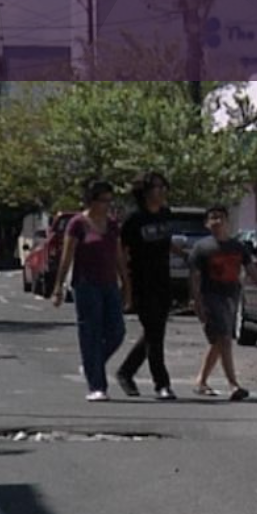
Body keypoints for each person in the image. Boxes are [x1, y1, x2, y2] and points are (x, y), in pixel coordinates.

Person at [54, 181, 130, 401]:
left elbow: (118, 255)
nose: (107, 205)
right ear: (92, 200)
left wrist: (126, 283)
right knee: (90, 334)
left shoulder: (112, 224)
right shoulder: (77, 224)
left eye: (109, 200)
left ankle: (91, 364)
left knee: (117, 332)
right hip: (86, 284)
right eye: (103, 200)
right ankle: (97, 386)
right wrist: (58, 286)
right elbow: (67, 256)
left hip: (109, 284)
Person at [115, 171, 185, 400]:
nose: (162, 192)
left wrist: (184, 254)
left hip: (163, 280)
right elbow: (121, 253)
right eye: (157, 187)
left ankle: (126, 371)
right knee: (155, 333)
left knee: (155, 332)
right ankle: (161, 384)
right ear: (145, 192)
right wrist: (125, 284)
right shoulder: (134, 220)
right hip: (141, 282)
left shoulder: (165, 214)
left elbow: (165, 242)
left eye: (164, 187)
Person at [189, 206, 253, 401]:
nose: (217, 221)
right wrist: (196, 300)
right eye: (213, 218)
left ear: (227, 221)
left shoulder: (237, 246)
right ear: (207, 223)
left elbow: (251, 269)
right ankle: (233, 384)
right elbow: (194, 276)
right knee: (224, 338)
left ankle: (201, 380)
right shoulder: (202, 248)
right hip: (210, 297)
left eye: (221, 218)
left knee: (218, 341)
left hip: (231, 297)